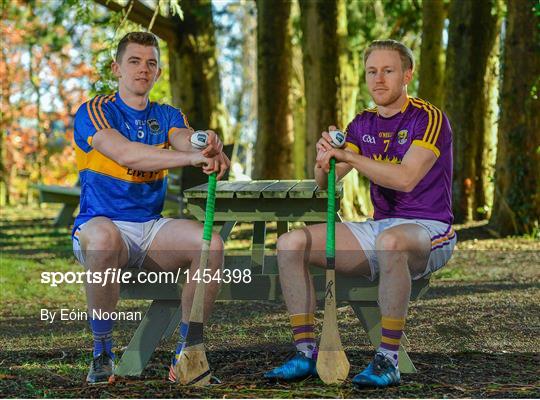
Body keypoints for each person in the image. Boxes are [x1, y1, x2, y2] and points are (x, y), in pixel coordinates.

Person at [265, 39, 456, 388]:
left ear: (407, 75)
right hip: (379, 227)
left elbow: (405, 178)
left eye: (388, 70)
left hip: (428, 228)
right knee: (291, 243)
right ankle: (306, 352)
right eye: (372, 71)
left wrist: (350, 157)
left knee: (391, 242)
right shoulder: (362, 124)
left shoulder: (428, 118)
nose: (379, 79)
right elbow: (325, 184)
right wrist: (325, 158)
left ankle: (388, 360)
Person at [72, 31, 230, 384]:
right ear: (117, 68)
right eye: (134, 61)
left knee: (211, 245)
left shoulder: (166, 114)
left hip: (151, 226)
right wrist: (191, 157)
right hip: (103, 225)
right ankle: (102, 353)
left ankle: (189, 356)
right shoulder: (95, 110)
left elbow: (184, 137)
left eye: (151, 63)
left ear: (158, 73)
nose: (143, 69)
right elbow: (127, 153)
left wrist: (206, 143)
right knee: (100, 238)